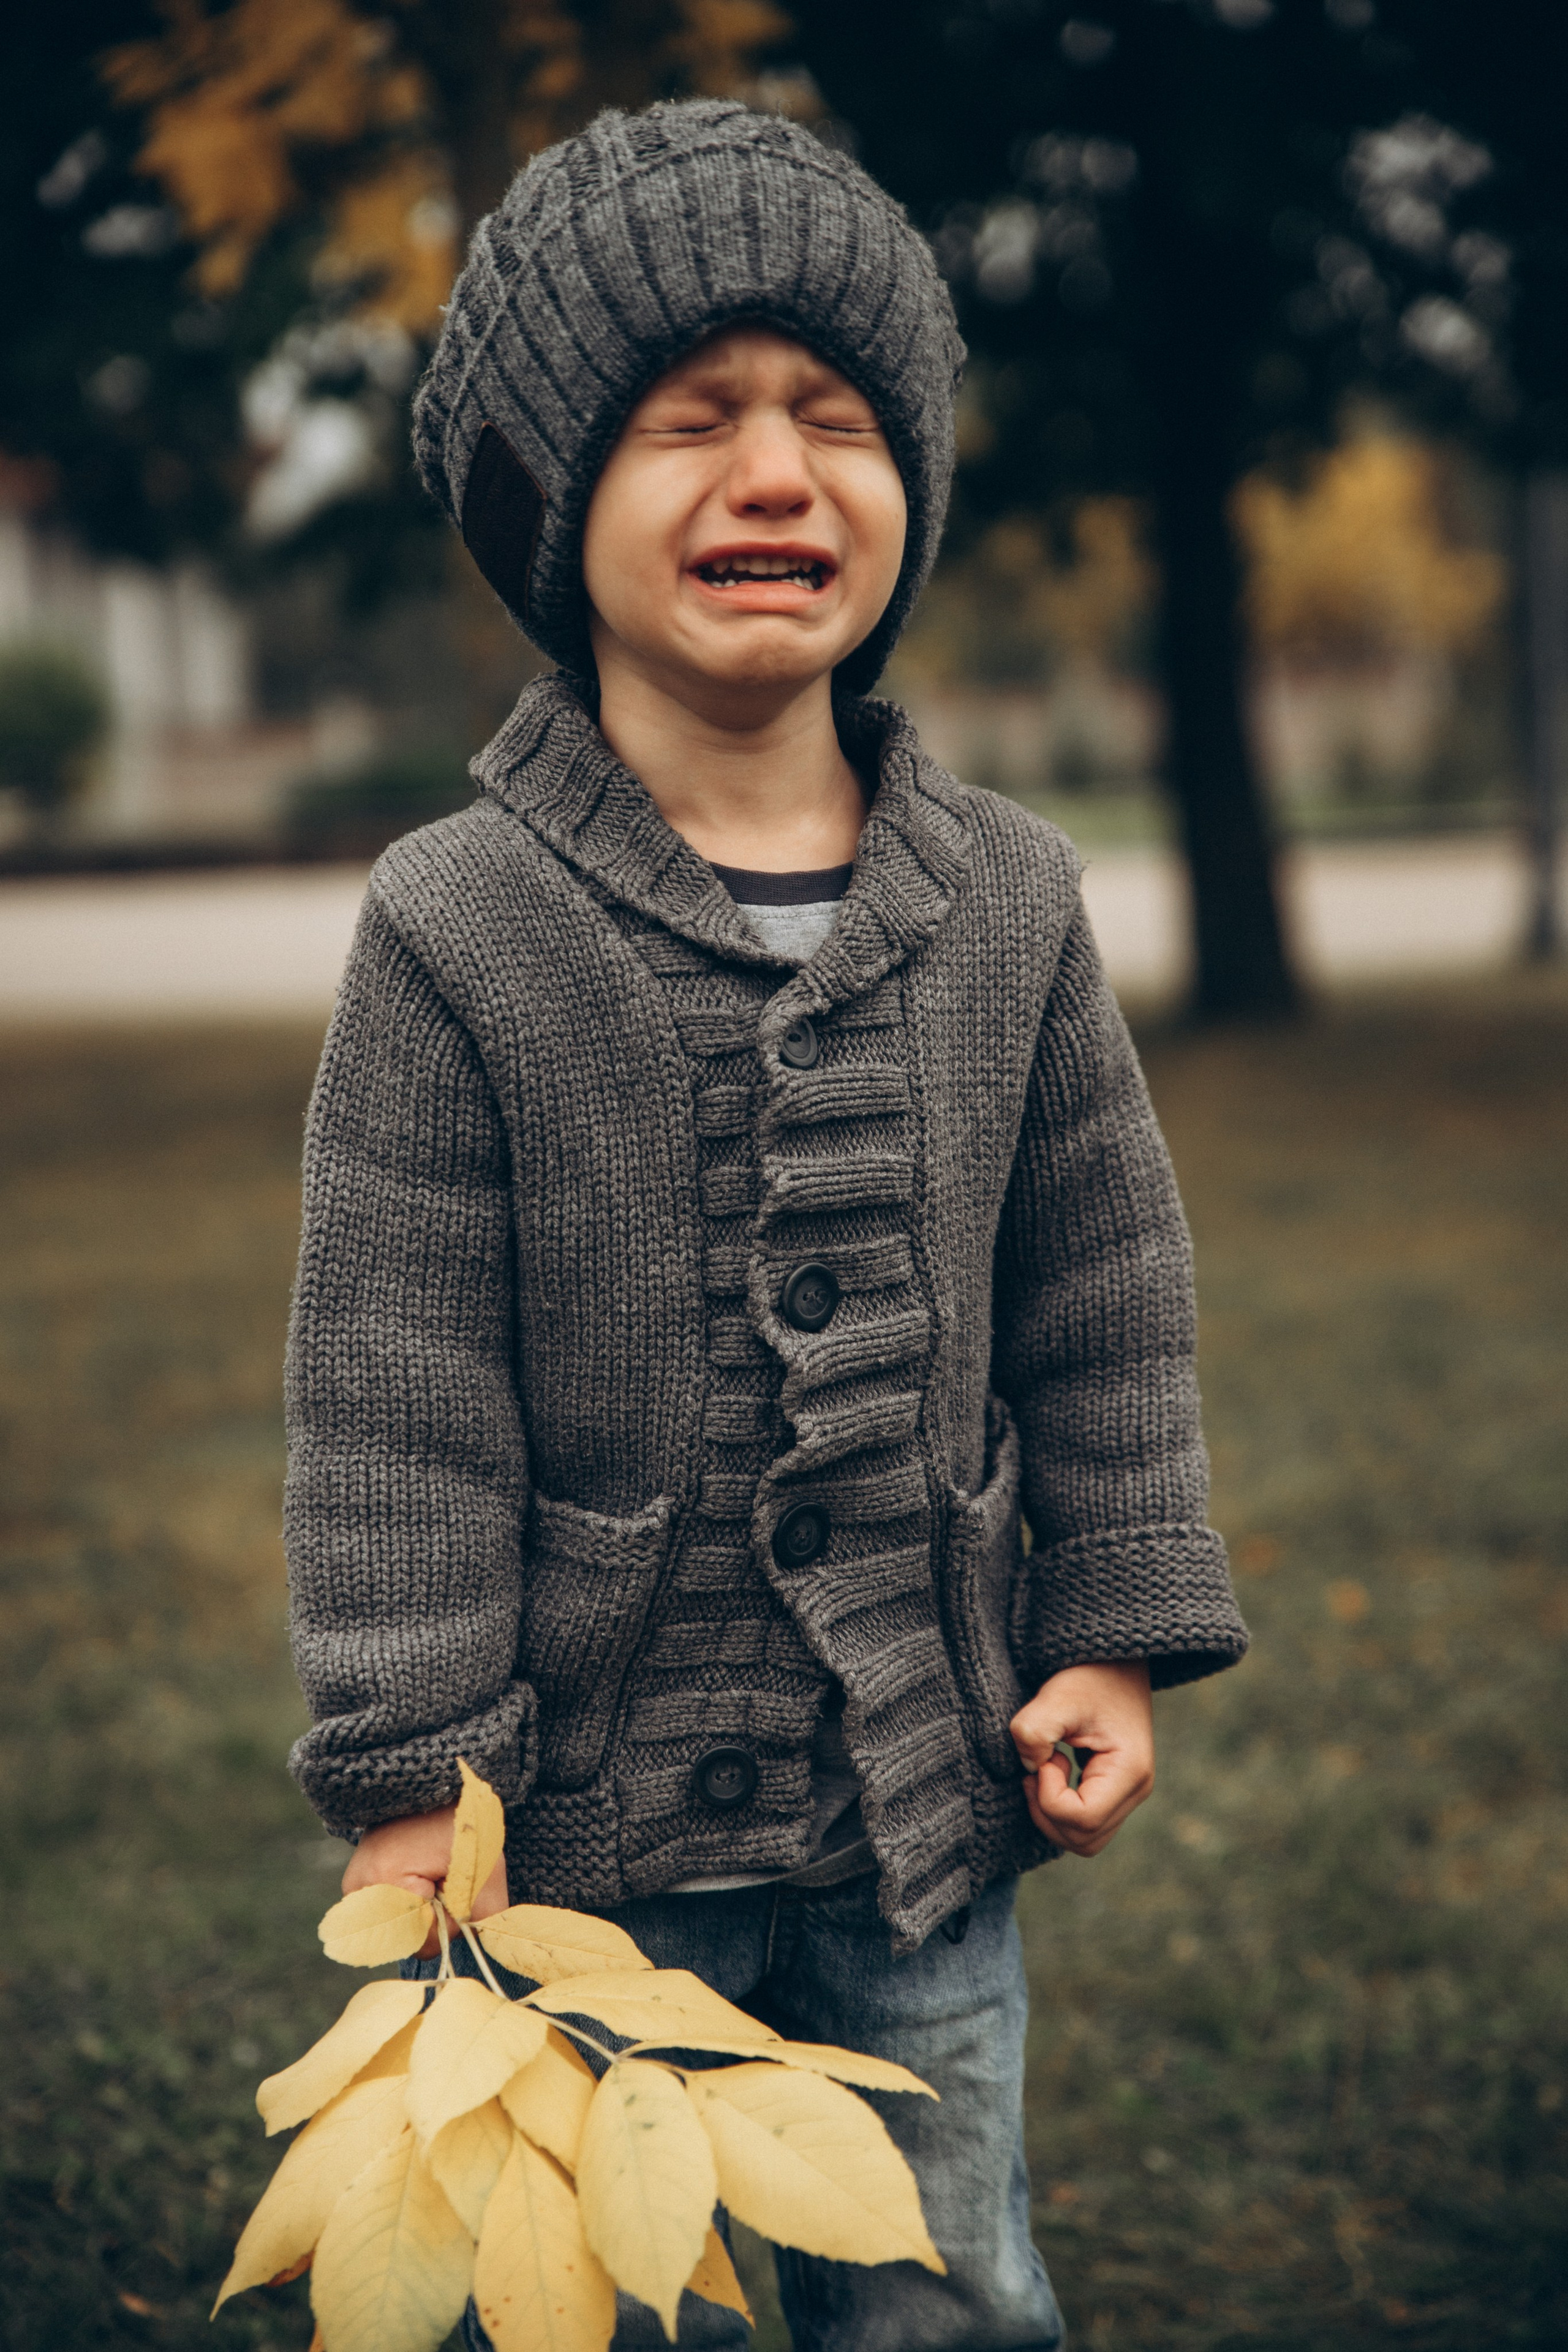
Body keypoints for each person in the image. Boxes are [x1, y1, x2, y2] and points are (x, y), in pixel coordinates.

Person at [282, 97, 1249, 2352]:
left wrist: (1105, 1621)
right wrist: (418, 1775)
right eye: (691, 420)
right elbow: (394, 1391)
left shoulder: (1009, 901)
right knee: (632, 2311)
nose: (779, 473)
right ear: (547, 502)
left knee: (941, 2283)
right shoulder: (460, 930)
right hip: (582, 1863)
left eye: (837, 419)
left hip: (920, 1802)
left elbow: (1100, 1300)